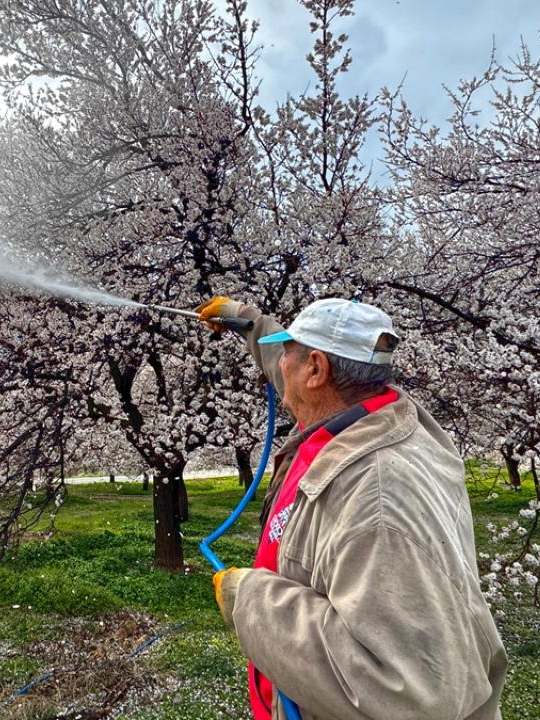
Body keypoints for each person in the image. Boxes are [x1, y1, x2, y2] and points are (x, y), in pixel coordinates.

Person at [195, 296, 507, 720]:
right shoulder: (364, 414)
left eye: (290, 352)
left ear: (317, 370)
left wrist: (248, 599)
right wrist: (246, 320)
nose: (280, 363)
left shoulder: (379, 502)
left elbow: (404, 693)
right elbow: (285, 360)